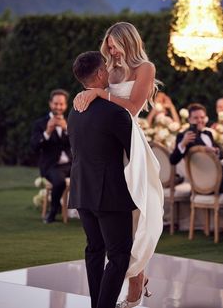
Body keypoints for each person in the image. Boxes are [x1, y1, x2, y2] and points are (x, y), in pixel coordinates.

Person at [73, 22, 164, 308]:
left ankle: (136, 278)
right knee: (117, 234)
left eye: (115, 44)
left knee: (140, 215)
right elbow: (95, 92)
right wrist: (87, 94)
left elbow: (134, 107)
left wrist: (101, 94)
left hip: (130, 141)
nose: (111, 50)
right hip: (109, 144)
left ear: (129, 42)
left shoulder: (145, 68)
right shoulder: (107, 69)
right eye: (108, 45)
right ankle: (134, 280)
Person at [68, 51, 136, 308]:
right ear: (99, 74)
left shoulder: (75, 111)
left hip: (82, 190)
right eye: (105, 68)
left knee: (94, 250)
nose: (108, 71)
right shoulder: (114, 112)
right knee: (118, 256)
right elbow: (135, 152)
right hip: (110, 194)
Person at [170, 103, 223, 194]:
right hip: (202, 183)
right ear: (189, 119)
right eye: (196, 118)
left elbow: (222, 154)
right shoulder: (184, 136)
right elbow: (173, 160)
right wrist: (183, 143)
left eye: (202, 117)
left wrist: (215, 151)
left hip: (219, 179)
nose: (200, 120)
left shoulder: (208, 133)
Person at [31, 89, 72, 223]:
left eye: (61, 104)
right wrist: (47, 131)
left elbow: (80, 143)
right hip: (51, 166)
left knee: (90, 173)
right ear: (50, 104)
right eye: (56, 104)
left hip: (71, 164)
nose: (58, 107)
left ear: (65, 105)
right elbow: (34, 147)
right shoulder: (40, 123)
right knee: (59, 181)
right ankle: (53, 212)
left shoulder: (70, 122)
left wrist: (67, 129)